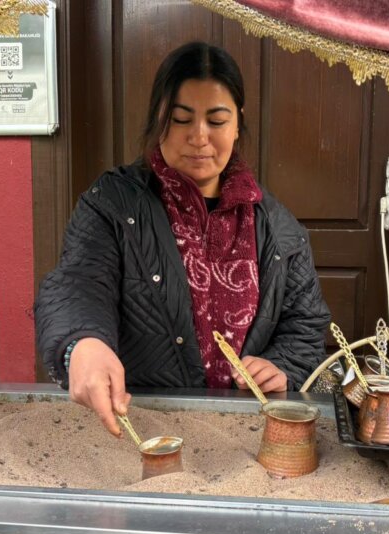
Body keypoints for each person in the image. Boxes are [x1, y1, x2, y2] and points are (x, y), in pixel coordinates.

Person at [35, 42, 330, 437]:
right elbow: (79, 282)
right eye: (181, 118)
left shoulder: (277, 226)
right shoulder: (113, 203)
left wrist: (283, 367)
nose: (199, 136)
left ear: (238, 123)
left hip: (244, 435)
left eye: (217, 119)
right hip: (141, 427)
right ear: (160, 118)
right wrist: (82, 344)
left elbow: (305, 323)